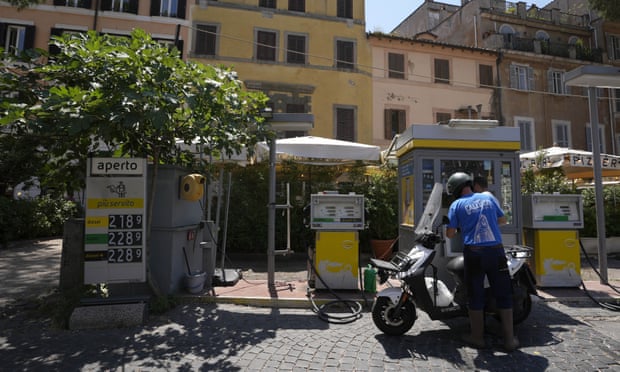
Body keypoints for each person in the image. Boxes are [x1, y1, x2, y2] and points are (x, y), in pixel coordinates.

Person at [445, 172, 519, 352]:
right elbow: (502, 220)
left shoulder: (456, 205)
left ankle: (477, 337)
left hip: (474, 254)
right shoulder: (488, 197)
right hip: (496, 251)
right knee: (503, 292)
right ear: (469, 184)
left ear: (455, 189)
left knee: (475, 294)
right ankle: (509, 340)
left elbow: (450, 233)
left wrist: (464, 225)